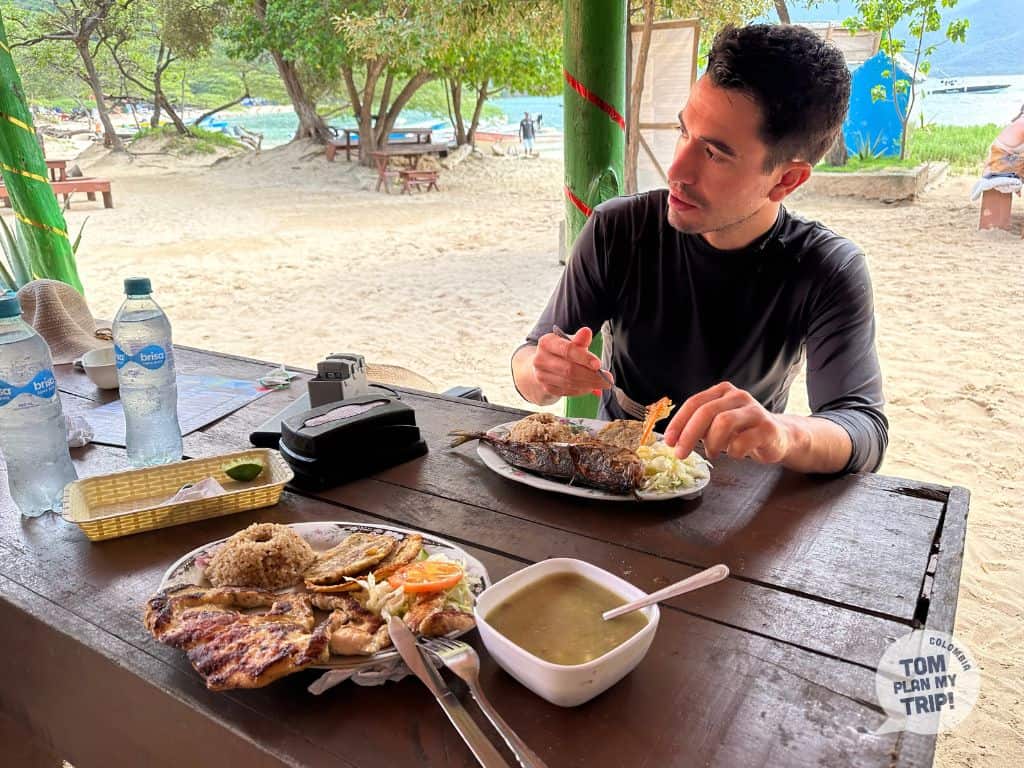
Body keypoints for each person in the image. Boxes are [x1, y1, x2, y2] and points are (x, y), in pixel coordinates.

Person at [511, 24, 887, 476]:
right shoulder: (620, 229)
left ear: (787, 180)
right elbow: (528, 363)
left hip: (739, 484)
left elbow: (863, 427)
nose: (676, 170)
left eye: (715, 154)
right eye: (683, 131)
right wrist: (543, 373)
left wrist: (785, 433)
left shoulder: (826, 267)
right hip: (616, 472)